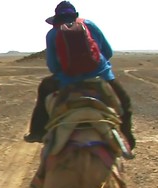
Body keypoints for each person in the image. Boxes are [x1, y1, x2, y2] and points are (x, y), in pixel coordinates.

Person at [23, 1, 136, 151]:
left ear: (56, 17)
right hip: (102, 79)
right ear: (74, 15)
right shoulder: (89, 24)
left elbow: (53, 66)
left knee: (44, 89)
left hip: (67, 82)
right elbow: (108, 52)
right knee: (125, 103)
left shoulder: (52, 33)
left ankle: (37, 132)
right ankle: (128, 137)